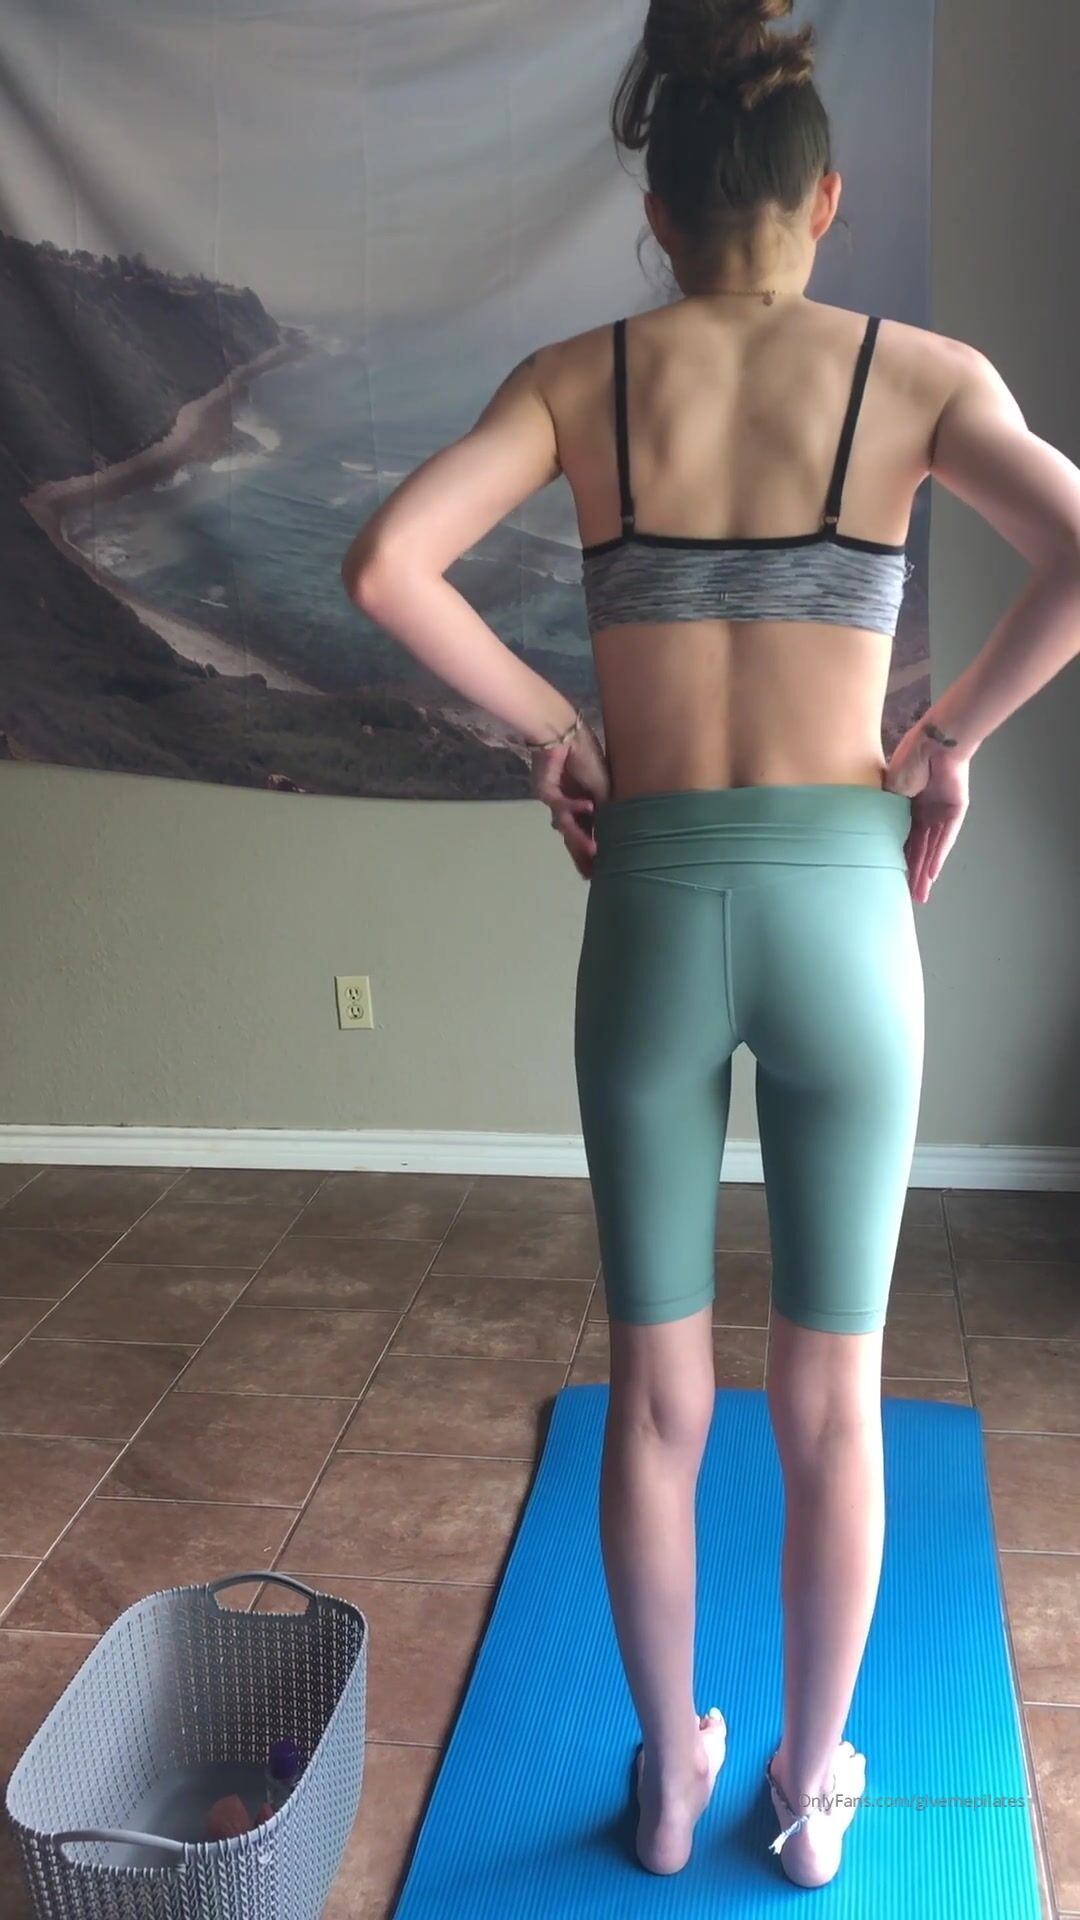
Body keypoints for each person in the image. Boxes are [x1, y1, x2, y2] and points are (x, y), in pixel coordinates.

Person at [341, 0, 1080, 1889]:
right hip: (849, 911)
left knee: (658, 1397)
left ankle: (672, 1778)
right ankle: (813, 1791)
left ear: (658, 213)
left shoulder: (578, 380)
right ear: (824, 201)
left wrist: (554, 728)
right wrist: (948, 738)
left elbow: (386, 567)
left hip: (656, 910)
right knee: (832, 1401)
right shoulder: (920, 376)